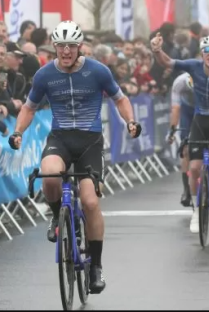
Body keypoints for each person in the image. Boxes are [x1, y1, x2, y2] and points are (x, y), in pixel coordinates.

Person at [8, 20, 142, 295]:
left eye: (71, 46)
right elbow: (29, 108)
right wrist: (18, 132)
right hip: (61, 139)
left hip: (89, 141)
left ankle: (96, 267)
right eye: (61, 46)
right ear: (55, 48)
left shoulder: (98, 71)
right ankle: (58, 217)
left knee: (91, 202)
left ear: (80, 47)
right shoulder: (45, 75)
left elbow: (120, 99)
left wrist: (130, 122)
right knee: (49, 175)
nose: (66, 51)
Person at [151, 33, 209, 234]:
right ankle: (195, 208)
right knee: (195, 166)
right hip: (200, 120)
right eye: (207, 51)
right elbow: (168, 63)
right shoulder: (193, 67)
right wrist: (157, 50)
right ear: (202, 53)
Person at [167, 72, 195, 207]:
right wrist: (172, 131)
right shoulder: (180, 82)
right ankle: (187, 190)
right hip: (187, 110)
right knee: (186, 149)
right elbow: (176, 108)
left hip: (205, 107)